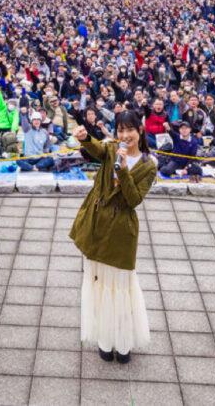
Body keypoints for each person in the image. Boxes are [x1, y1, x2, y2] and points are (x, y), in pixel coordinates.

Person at [69, 110, 155, 364]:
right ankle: (105, 340)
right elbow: (96, 148)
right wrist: (84, 137)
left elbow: (133, 199)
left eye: (130, 130)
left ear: (140, 131)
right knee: (98, 285)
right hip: (97, 226)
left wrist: (124, 170)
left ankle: (124, 342)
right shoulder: (111, 149)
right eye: (121, 130)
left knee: (120, 288)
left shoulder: (149, 165)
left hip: (121, 234)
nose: (125, 135)